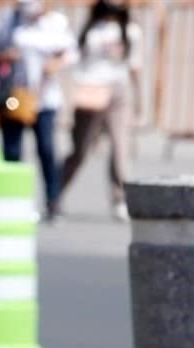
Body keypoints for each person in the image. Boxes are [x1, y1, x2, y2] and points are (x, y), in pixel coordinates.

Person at [0, 0, 76, 221]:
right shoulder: (9, 21)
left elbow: (72, 52)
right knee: (12, 149)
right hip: (15, 97)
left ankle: (53, 200)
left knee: (46, 148)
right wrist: (5, 56)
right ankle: (11, 199)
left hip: (44, 99)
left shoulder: (56, 23)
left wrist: (57, 63)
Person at [59, 0, 142, 221]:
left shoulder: (130, 31)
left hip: (117, 93)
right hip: (92, 92)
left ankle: (119, 199)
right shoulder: (92, 30)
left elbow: (134, 67)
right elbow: (75, 61)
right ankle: (55, 192)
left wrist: (139, 98)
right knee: (81, 149)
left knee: (119, 148)